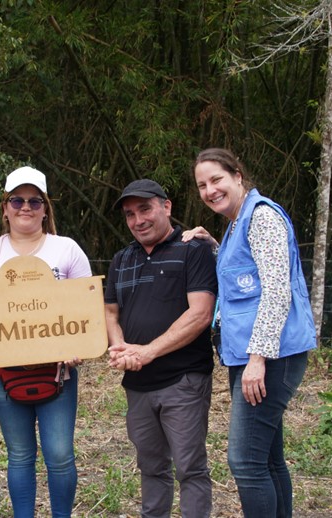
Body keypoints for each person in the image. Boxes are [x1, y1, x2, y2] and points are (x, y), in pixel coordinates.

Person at [189, 147, 316, 518]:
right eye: (202, 185)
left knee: (244, 460)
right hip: (250, 355)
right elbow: (245, 274)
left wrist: (257, 360)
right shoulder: (236, 223)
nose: (210, 190)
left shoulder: (261, 217)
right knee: (268, 459)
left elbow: (276, 291)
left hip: (269, 356)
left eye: (216, 180)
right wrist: (214, 244)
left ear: (238, 176)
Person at [0, 166, 90, 518]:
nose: (26, 207)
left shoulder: (65, 249)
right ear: (5, 208)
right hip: (7, 374)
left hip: (58, 374)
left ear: (45, 208)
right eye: (17, 200)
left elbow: (85, 308)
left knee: (59, 454)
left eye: (35, 200)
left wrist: (78, 347)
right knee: (20, 455)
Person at [104, 179, 218, 518]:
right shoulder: (122, 259)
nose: (138, 220)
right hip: (137, 385)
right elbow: (111, 312)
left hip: (182, 381)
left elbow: (200, 314)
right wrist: (119, 346)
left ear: (166, 207)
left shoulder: (193, 250)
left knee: (189, 468)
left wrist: (147, 352)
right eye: (129, 214)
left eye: (145, 209)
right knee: (151, 466)